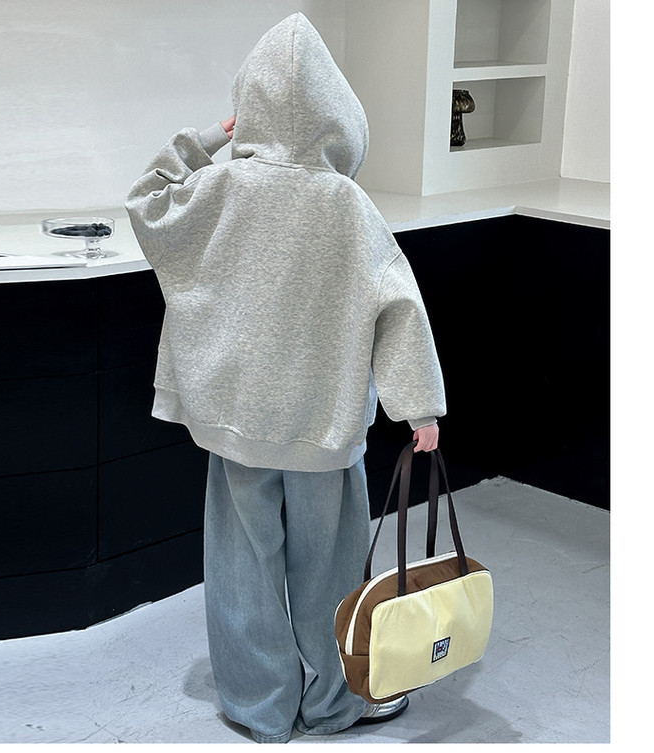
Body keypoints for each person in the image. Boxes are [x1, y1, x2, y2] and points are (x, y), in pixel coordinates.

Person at [125, 12, 445, 744]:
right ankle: (333, 703)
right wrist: (419, 405)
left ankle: (258, 707)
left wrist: (207, 138)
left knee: (242, 568)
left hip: (237, 420)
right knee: (330, 567)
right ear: (339, 113)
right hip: (324, 425)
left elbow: (144, 201)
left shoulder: (217, 188)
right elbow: (399, 307)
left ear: (251, 104)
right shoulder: (348, 205)